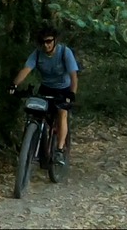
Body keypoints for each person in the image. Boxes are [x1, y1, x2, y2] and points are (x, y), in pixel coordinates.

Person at [8, 26, 78, 165]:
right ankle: (35, 146)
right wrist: (14, 85)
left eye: (49, 41)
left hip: (63, 89)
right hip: (46, 88)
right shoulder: (37, 54)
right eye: (43, 42)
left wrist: (72, 93)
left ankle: (59, 150)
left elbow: (73, 76)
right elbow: (26, 70)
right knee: (37, 113)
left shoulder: (65, 52)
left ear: (55, 40)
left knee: (62, 113)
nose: (46, 45)